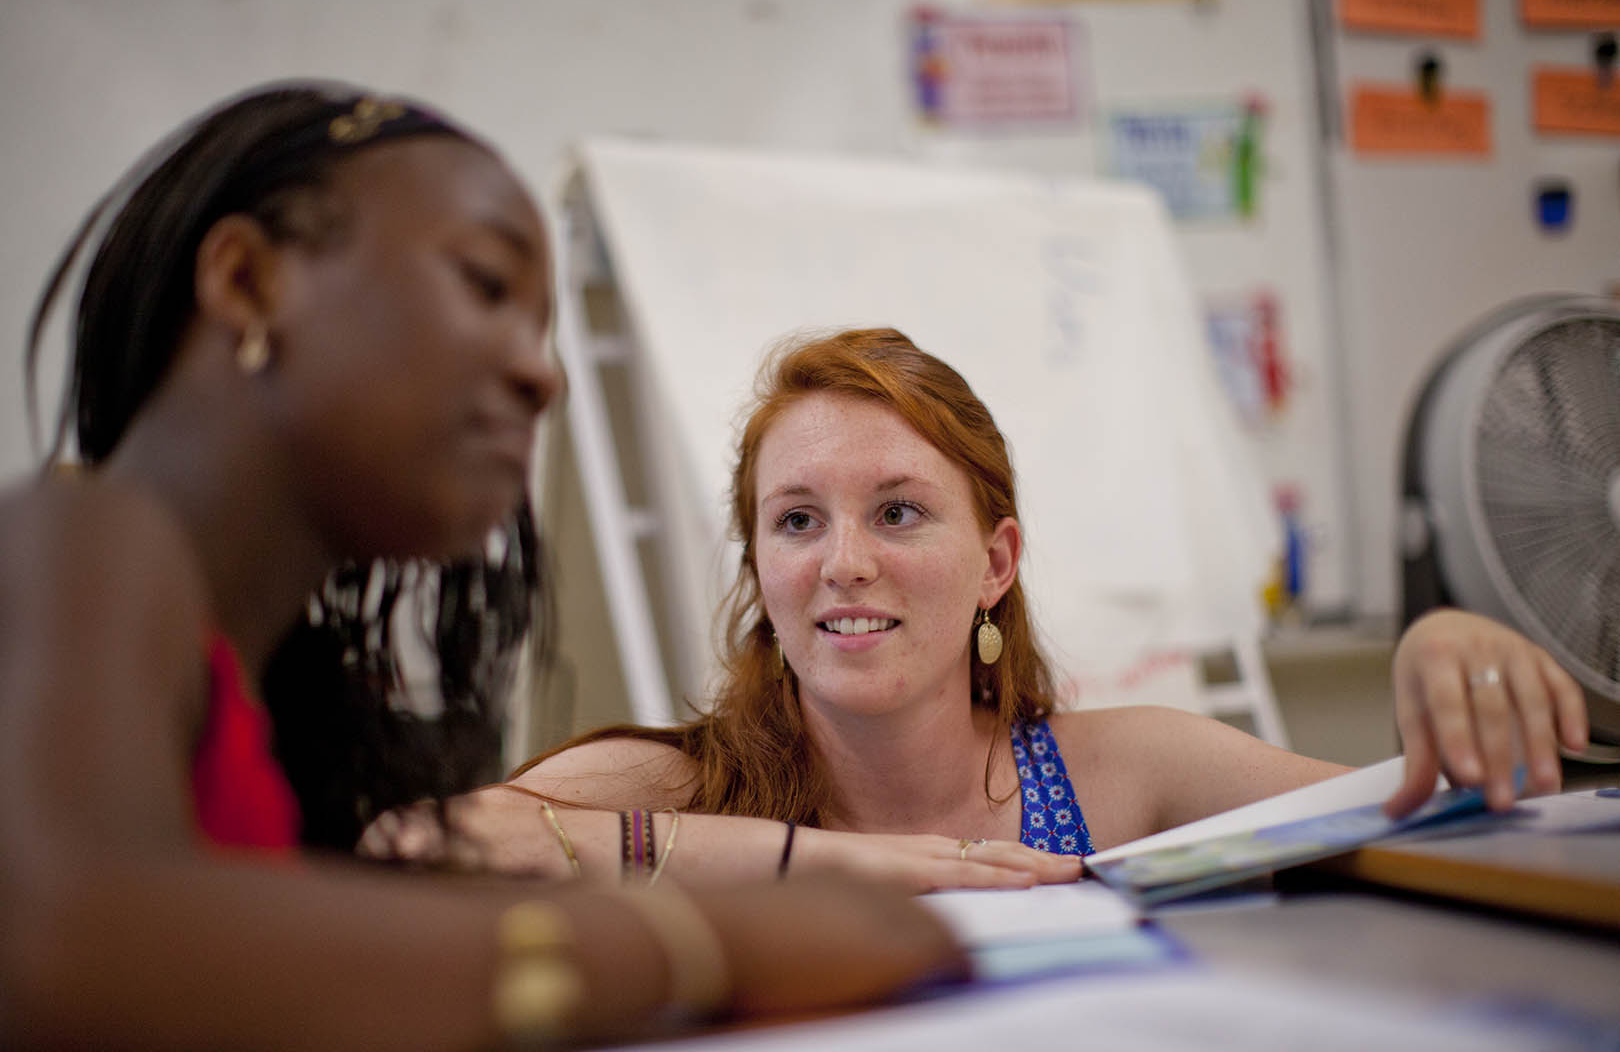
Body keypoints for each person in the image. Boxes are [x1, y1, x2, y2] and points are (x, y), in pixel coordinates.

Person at [0, 86, 1001, 1049]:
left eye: (542, 329)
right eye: (485, 284)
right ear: (248, 281)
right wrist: (709, 942)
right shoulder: (79, 538)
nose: (543, 374)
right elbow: (66, 939)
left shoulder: (243, 679)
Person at [484, 327, 1589, 863]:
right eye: (798, 519)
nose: (845, 562)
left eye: (901, 511)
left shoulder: (1133, 772)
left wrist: (1440, 644)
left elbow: (1437, 829)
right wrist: (836, 865)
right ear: (760, 571)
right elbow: (434, 846)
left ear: (996, 563)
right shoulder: (686, 785)